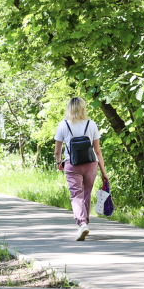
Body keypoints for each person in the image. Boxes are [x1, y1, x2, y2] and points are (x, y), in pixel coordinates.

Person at [54, 97, 108, 241]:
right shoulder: (91, 124)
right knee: (87, 193)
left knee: (76, 194)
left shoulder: (63, 125)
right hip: (91, 164)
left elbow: (57, 151)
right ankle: (85, 223)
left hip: (72, 163)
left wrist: (59, 162)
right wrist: (103, 172)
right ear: (83, 108)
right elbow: (98, 151)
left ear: (69, 109)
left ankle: (82, 223)